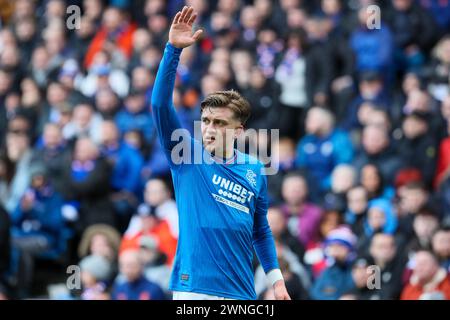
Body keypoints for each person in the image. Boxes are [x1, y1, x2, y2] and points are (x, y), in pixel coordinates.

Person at [151, 6, 289, 300]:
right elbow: (161, 105)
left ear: (238, 131)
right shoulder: (186, 156)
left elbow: (260, 231)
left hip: (241, 293)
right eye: (206, 122)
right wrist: (172, 50)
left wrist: (276, 281)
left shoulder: (254, 169)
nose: (210, 129)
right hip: (194, 290)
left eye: (219, 123)